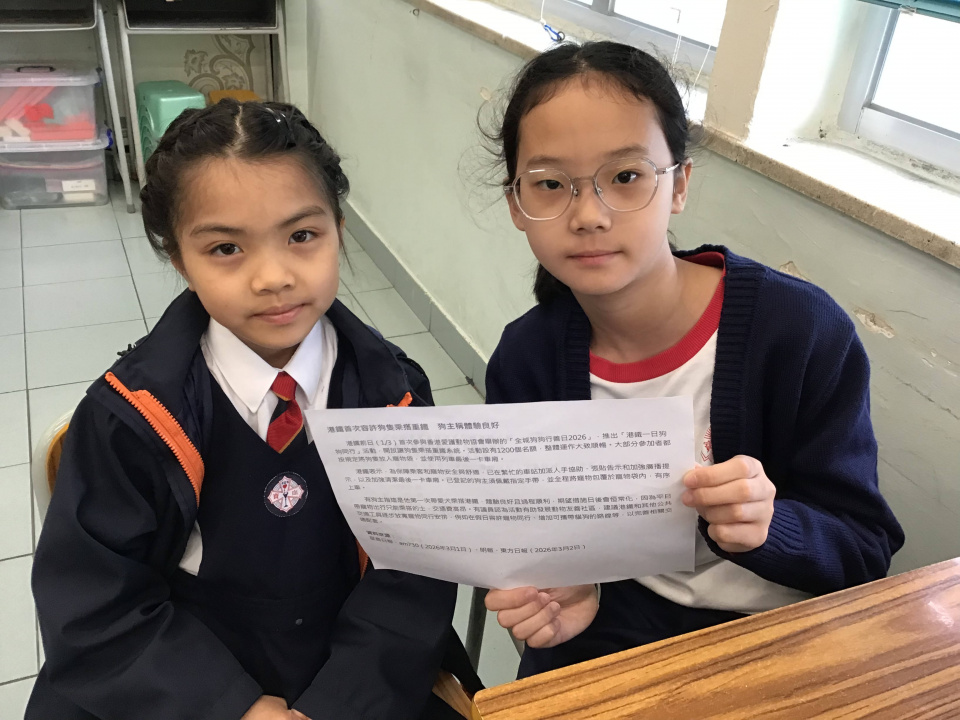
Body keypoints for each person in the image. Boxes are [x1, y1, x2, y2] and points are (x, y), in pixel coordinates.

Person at [28, 100, 478, 720]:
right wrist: (228, 705)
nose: (272, 277)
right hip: (179, 684)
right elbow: (93, 604)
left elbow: (415, 575)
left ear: (339, 229)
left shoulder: (394, 393)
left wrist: (339, 704)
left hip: (355, 674)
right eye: (225, 248)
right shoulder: (129, 418)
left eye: (301, 236)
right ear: (178, 258)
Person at [480, 41, 904, 678]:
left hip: (782, 637)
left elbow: (865, 551)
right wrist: (567, 590)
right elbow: (540, 541)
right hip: (611, 631)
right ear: (517, 203)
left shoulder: (800, 332)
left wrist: (771, 526)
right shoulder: (526, 359)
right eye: (549, 184)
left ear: (678, 184)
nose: (589, 215)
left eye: (626, 177)